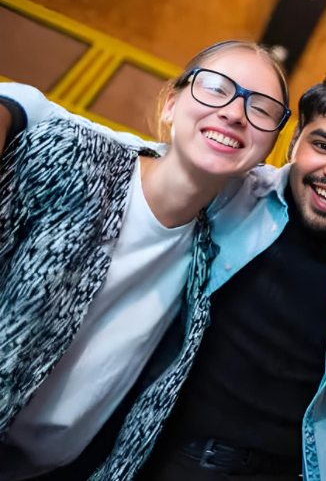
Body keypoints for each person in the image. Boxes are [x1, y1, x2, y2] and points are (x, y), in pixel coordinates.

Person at [0, 41, 291, 480]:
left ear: (268, 145)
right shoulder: (74, 161)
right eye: (216, 89)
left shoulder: (214, 255)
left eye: (262, 109)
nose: (234, 112)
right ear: (172, 104)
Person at [137, 70, 326, 481]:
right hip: (169, 457)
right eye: (323, 145)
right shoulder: (231, 192)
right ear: (295, 141)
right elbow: (142, 162)